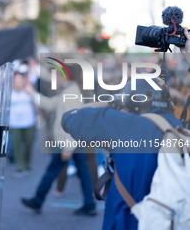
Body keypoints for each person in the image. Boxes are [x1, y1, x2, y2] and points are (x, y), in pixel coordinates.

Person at [62, 77, 181, 230]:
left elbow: (69, 118)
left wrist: (113, 101)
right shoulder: (178, 128)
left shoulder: (123, 123)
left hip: (127, 221)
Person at [21, 66, 96, 215]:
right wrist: (32, 93)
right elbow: (50, 104)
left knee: (52, 171)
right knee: (82, 172)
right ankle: (89, 203)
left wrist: (68, 147)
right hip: (73, 141)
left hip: (68, 142)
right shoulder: (71, 91)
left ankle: (38, 200)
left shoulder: (70, 94)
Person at [9, 68, 37, 177]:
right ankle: (20, 166)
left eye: (20, 80)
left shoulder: (29, 90)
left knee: (29, 144)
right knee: (16, 145)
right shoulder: (9, 92)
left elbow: (35, 102)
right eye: (16, 80)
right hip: (15, 123)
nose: (18, 83)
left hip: (29, 121)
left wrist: (38, 115)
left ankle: (27, 163)